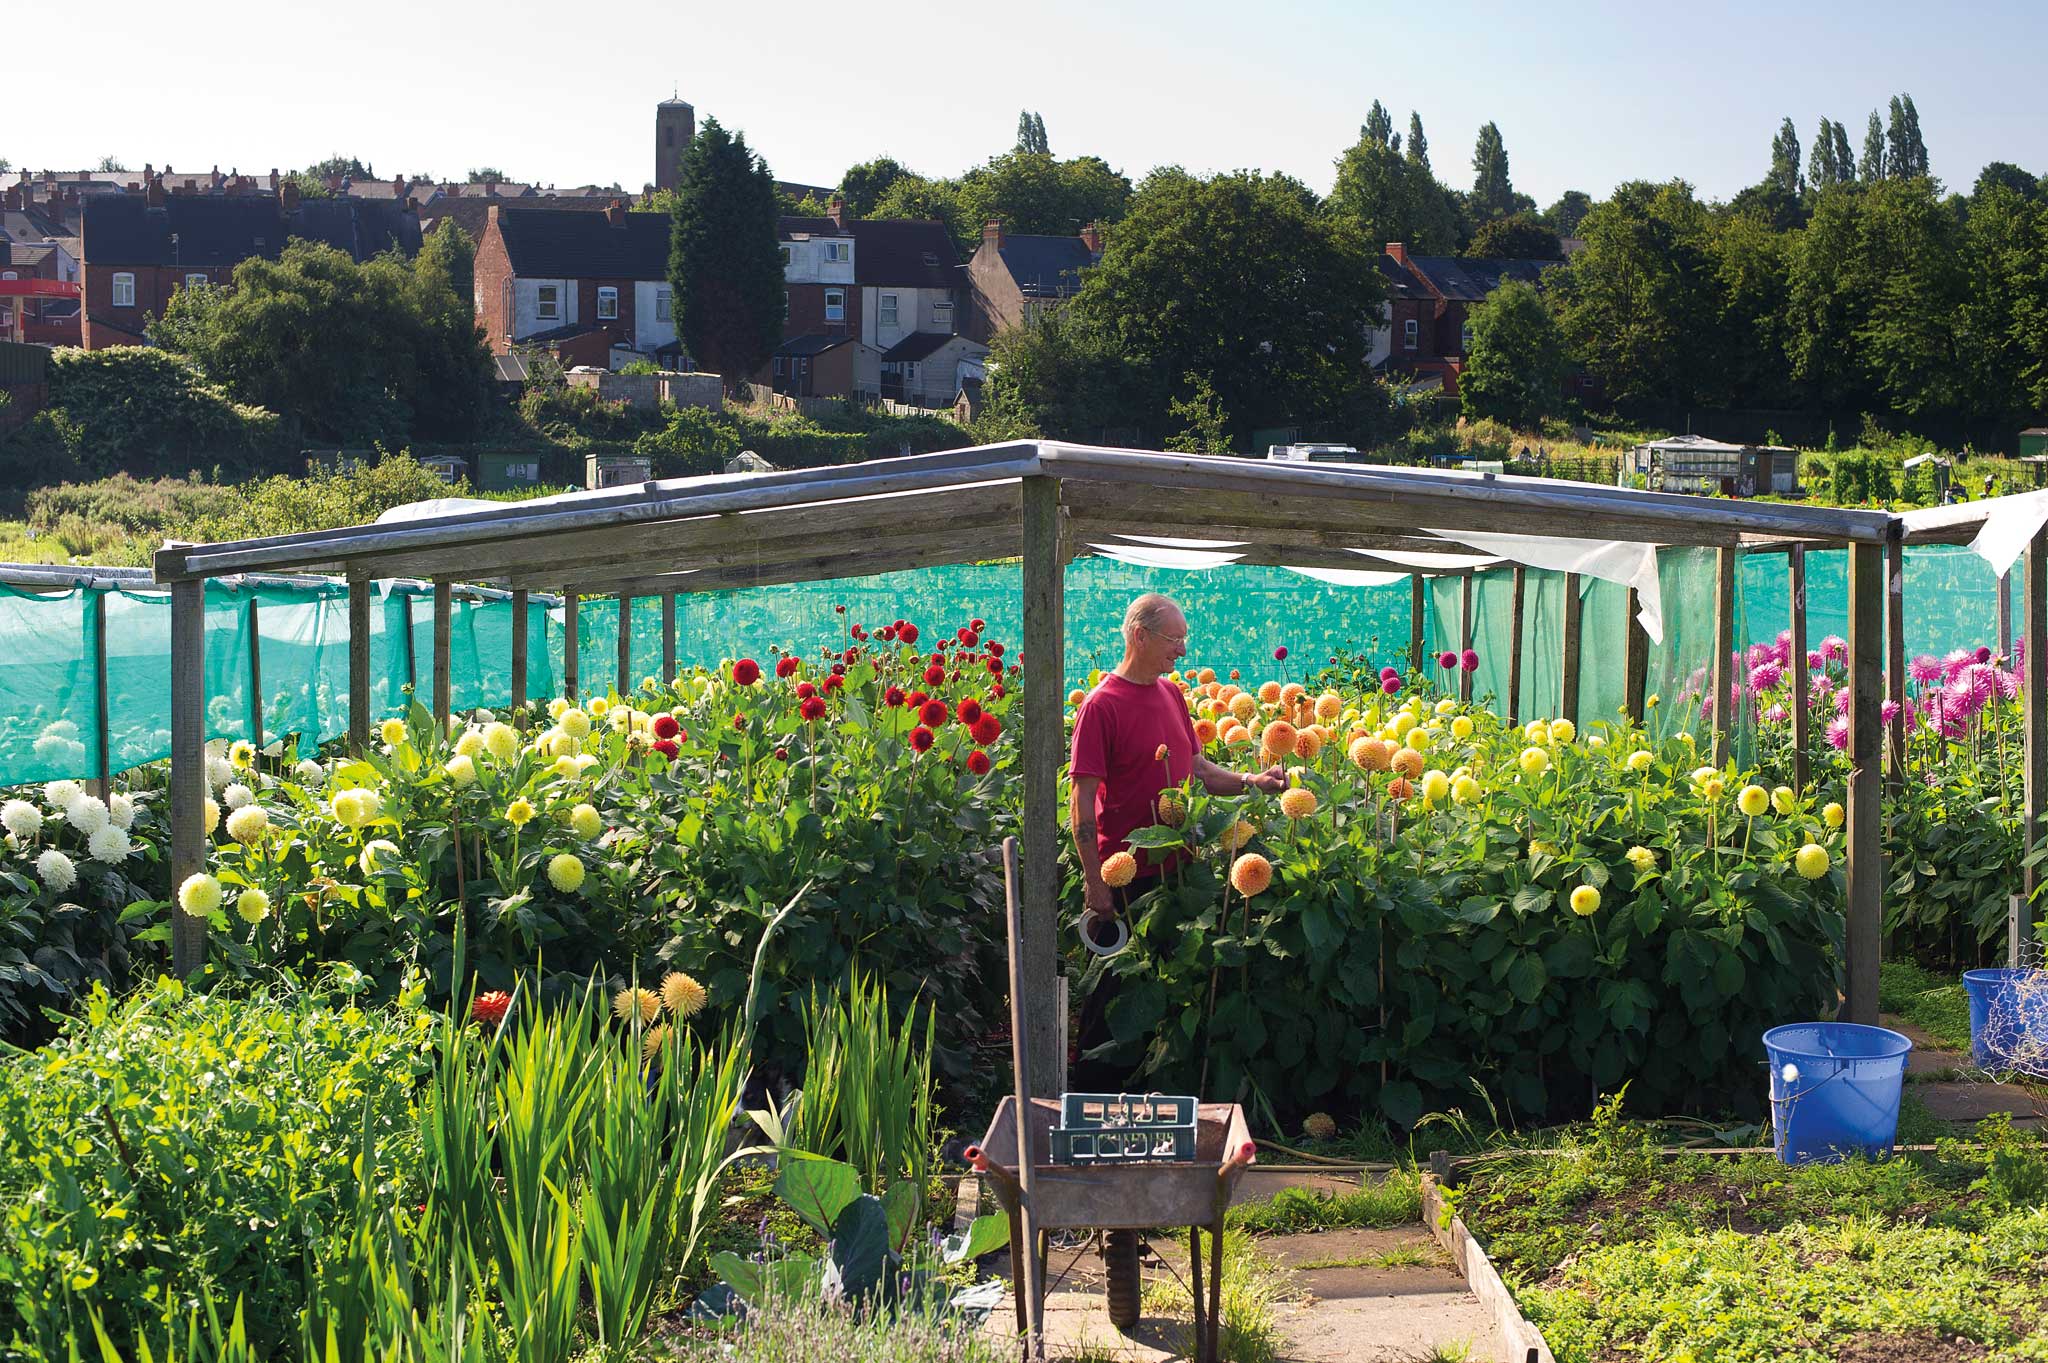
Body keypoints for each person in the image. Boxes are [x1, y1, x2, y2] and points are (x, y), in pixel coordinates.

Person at [1066, 593, 1286, 1086]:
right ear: (1140, 636)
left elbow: (1200, 770)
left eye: (1184, 639)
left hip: (1178, 875)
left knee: (1162, 997)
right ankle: (1090, 1104)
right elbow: (1080, 806)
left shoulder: (1170, 694)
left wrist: (1254, 782)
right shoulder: (1101, 706)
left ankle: (1151, 1102)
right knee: (1112, 1000)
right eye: (1175, 639)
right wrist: (1093, 881)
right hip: (1124, 880)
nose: (1182, 651)